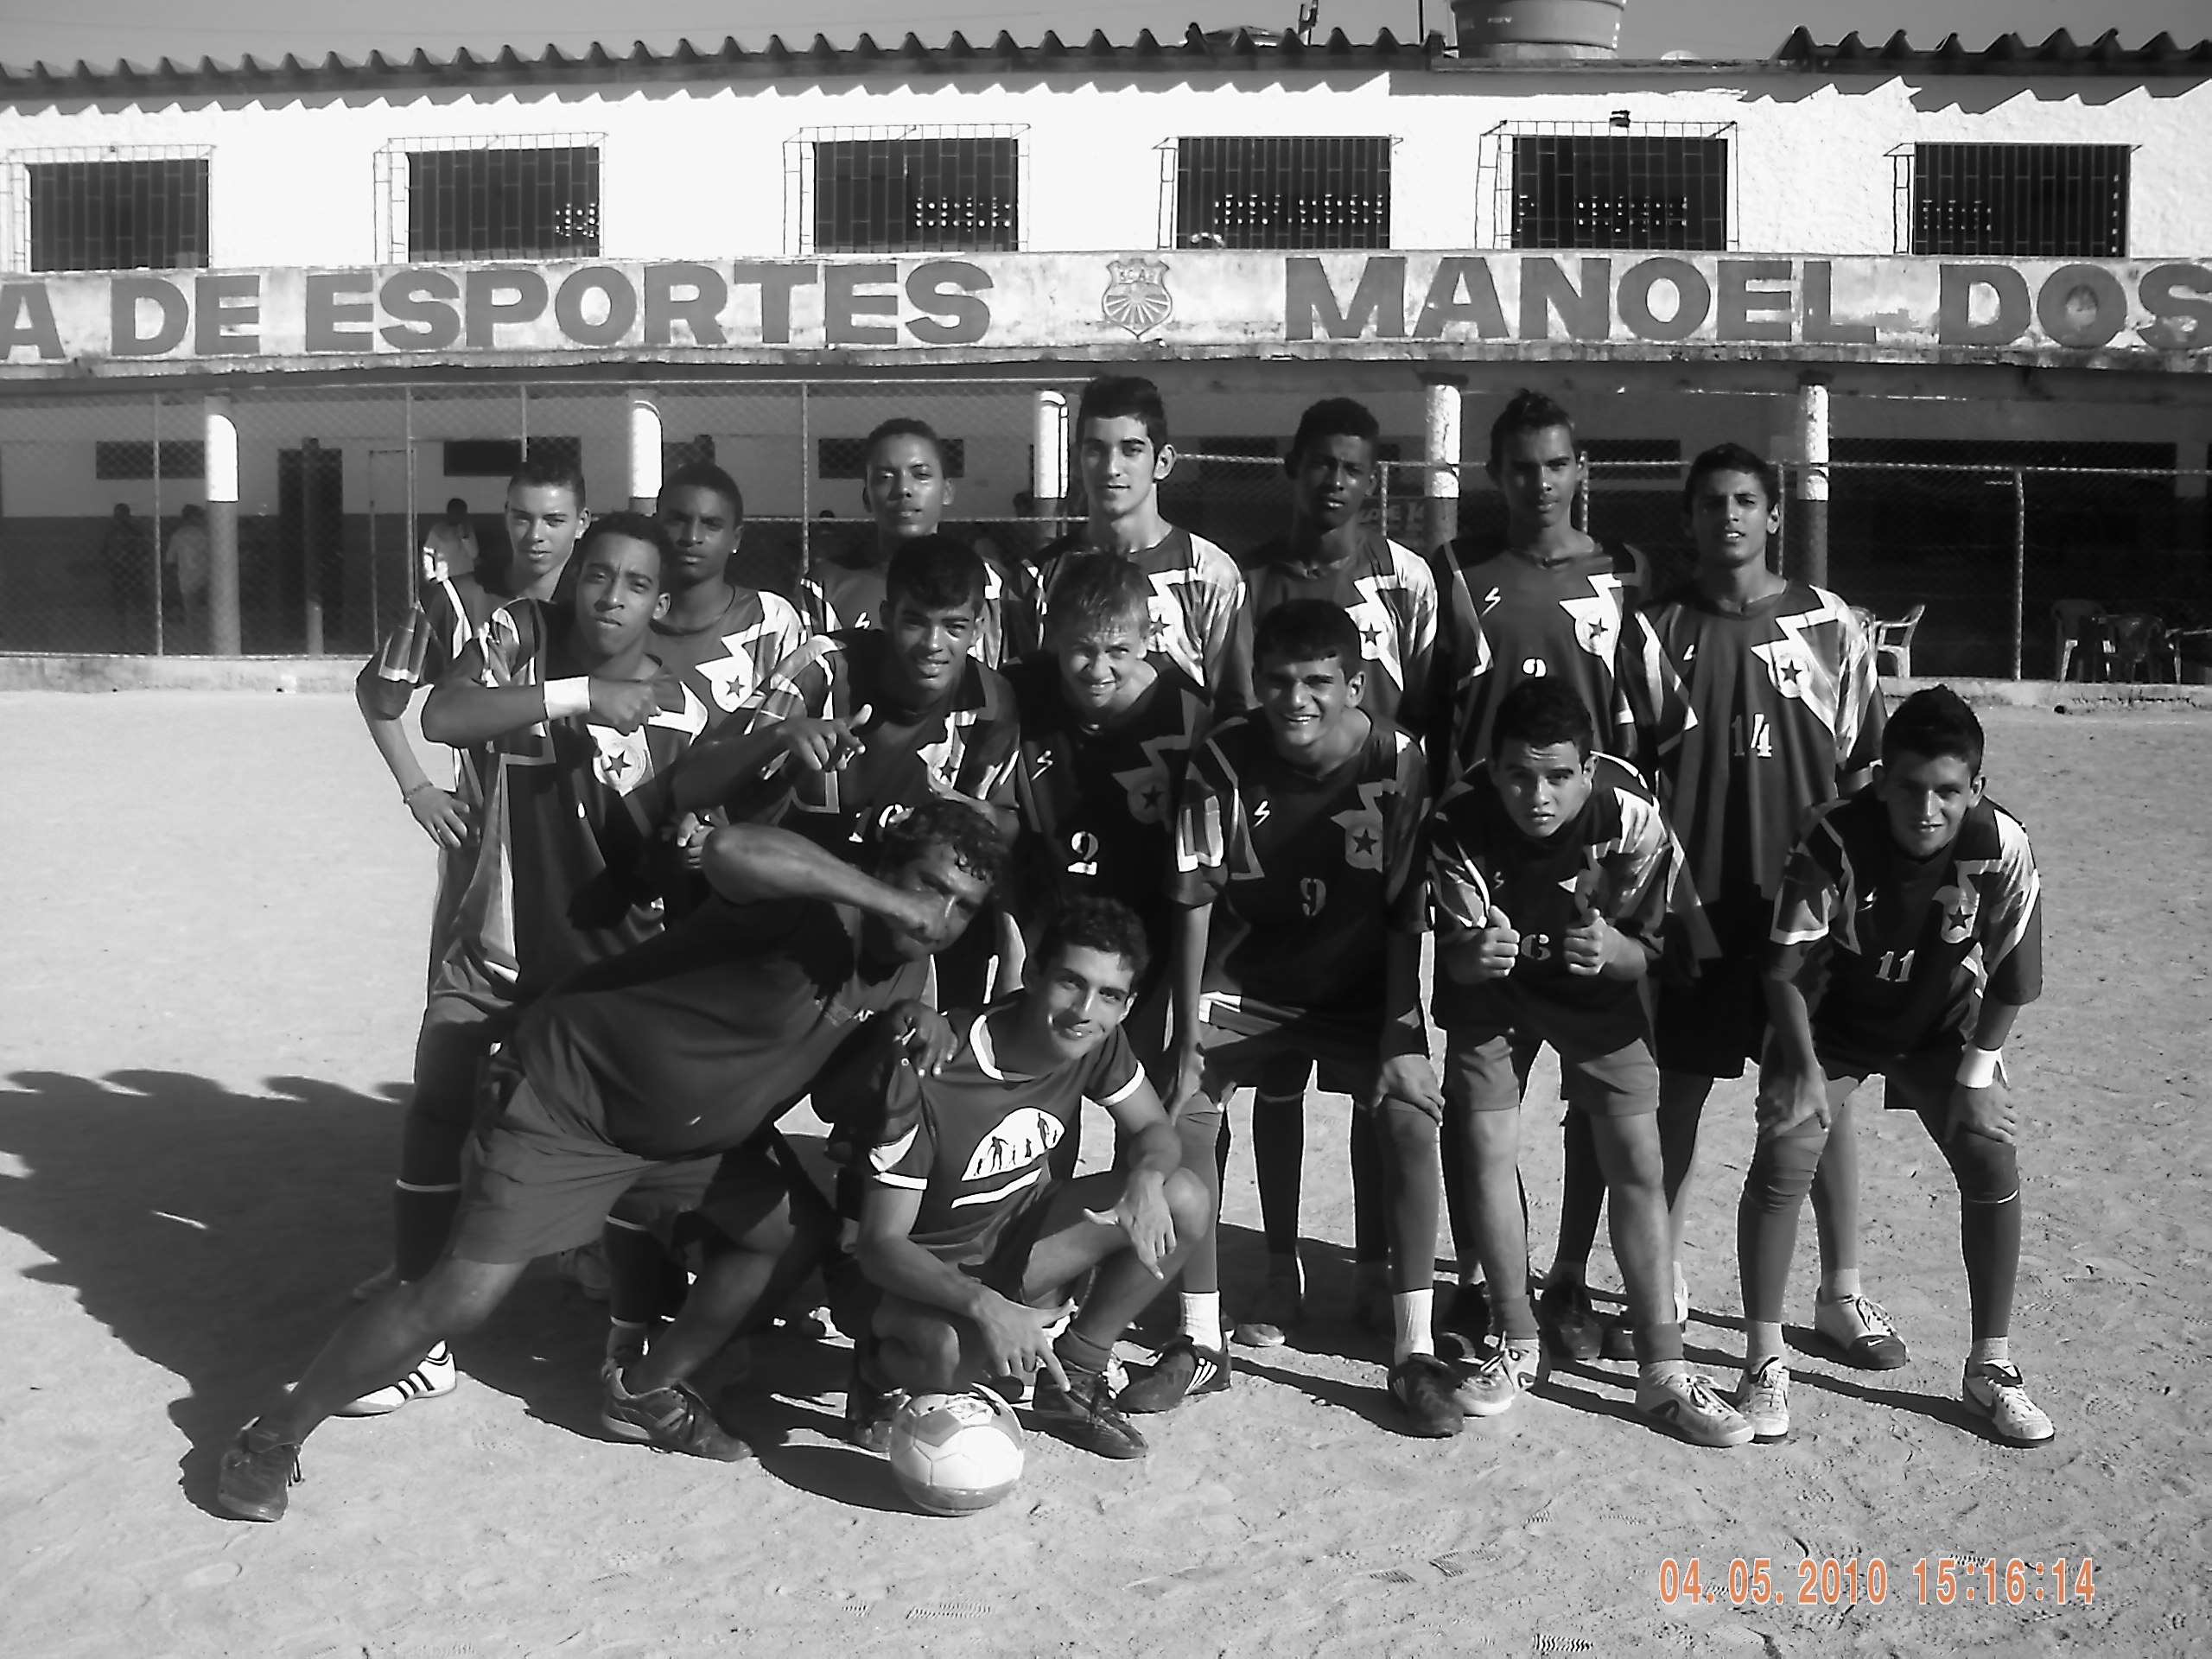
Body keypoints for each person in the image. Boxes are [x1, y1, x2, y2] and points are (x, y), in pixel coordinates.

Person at [216, 799, 1005, 1522]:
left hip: (684, 1144)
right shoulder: (813, 903)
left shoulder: (908, 973)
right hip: (569, 1103)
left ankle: (646, 1393)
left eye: (963, 906)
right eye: (928, 887)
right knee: (458, 1299)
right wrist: (885, 900)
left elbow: (833, 1098)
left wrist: (900, 1033)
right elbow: (731, 850)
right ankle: (273, 1434)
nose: (939, 916)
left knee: (786, 1233)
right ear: (884, 870)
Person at [347, 512, 703, 1409]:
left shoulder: (684, 711)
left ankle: (633, 1327)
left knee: (629, 1142)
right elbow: (443, 713)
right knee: (439, 1098)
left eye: (636, 585)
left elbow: (693, 850)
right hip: (498, 948)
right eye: (599, 575)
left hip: (611, 971)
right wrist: (577, 696)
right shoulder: (520, 635)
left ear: (661, 605)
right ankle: (418, 1333)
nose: (611, 597)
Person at [1570, 444, 1889, 1368]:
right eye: (1711, 502)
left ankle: (1841, 1292)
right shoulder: (1653, 633)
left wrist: (1861, 903)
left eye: (1746, 500)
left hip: (1802, 915)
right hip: (1691, 910)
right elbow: (1625, 782)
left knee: (1817, 1100)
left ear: (1775, 514)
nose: (1730, 516)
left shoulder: (1831, 627)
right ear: (1690, 518)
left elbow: (1863, 778)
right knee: (1675, 1095)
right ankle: (1661, 1283)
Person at [1136, 600, 1451, 1435]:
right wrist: (1186, 1035)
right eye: (1277, 681)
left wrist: (1404, 1035)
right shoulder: (1225, 755)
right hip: (1246, 982)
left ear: (1357, 684)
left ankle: (1415, 1351)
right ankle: (1200, 1338)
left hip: (1354, 988)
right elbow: (1195, 891)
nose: (1295, 699)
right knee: (1186, 1113)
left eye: (1317, 681)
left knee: (1411, 1116)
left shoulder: (1399, 759)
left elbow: (1405, 909)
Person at [1427, 681, 1747, 1445]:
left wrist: (1616, 951)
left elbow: (1657, 950)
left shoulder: (1631, 811)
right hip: (1497, 995)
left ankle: (1663, 1368)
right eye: (1517, 775)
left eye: (1557, 776)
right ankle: (1517, 1339)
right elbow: (1457, 956)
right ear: (1493, 768)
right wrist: (1474, 954)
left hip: (1596, 990)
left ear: (1589, 768)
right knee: (1484, 1147)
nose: (1537, 796)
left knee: (1638, 1158)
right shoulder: (1456, 820)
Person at [1737, 688, 2049, 1446]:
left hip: (1938, 1025)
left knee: (1990, 1151)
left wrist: (1976, 1079)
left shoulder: (2001, 843)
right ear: (1880, 781)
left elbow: (2014, 979)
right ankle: (1763, 1359)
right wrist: (1802, 1070)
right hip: (1833, 1022)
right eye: (1909, 788)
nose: (1927, 809)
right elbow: (1783, 971)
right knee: (1785, 1149)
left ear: (1975, 787)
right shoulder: (1833, 838)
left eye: (1948, 791)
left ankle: (1991, 1366)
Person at [1422, 389, 1649, 1358]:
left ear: (1579, 468)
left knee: (1591, 1094)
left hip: (1588, 867)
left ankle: (1569, 1276)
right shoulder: (1456, 574)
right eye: (1520, 466)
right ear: (1494, 474)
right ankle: (1483, 1278)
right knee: (1477, 1094)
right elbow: (1433, 722)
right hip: (1483, 864)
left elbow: (1642, 728)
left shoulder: (1624, 576)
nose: (1539, 482)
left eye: (1555, 464)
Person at [1219, 396, 1440, 1348]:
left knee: (1374, 1081)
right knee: (1276, 1082)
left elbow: (1425, 703)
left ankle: (1377, 1270)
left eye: (1354, 465)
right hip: (1277, 850)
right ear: (1294, 468)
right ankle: (1280, 1268)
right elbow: (1241, 709)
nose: (1336, 481)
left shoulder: (1408, 578)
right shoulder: (1251, 580)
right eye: (1321, 463)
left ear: (1373, 476)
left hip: (1369, 842)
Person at [848, 897, 1214, 1460]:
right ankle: (876, 1371)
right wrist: (986, 1307)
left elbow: (1154, 1130)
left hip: (1015, 1242)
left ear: (1125, 1005)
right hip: (920, 1271)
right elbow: (880, 1247)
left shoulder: (1097, 1040)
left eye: (1108, 995)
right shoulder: (933, 1068)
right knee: (954, 1357)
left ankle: (1078, 1374)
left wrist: (1145, 1179)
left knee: (1183, 1195)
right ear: (1032, 972)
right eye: (1071, 982)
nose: (1084, 1010)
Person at [676, 535, 1020, 858]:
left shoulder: (990, 699)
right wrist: (780, 734)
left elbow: (1009, 822)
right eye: (915, 623)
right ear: (886, 618)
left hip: (906, 883)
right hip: (790, 876)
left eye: (954, 627)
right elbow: (690, 786)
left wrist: (976, 815)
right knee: (727, 851)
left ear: (978, 629)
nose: (932, 645)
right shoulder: (827, 667)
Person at [1004, 552, 1211, 1077]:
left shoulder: (1187, 714)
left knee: (1148, 1079)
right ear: (1053, 635)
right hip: (1049, 921)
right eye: (1082, 649)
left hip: (1148, 929)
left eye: (1117, 650)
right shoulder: (1017, 691)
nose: (1098, 670)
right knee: (1038, 1075)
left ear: (1147, 639)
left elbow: (1200, 859)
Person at [1032, 376, 1244, 695]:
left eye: (1131, 450)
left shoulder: (1211, 575)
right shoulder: (1038, 578)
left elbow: (1235, 704)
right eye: (1096, 450)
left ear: (1163, 462)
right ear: (1076, 461)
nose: (1111, 468)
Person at [802, 418, 1030, 669]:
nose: (903, 489)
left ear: (947, 491)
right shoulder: (824, 585)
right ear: (867, 496)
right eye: (885, 477)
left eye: (921, 475)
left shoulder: (988, 582)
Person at [649, 460, 805, 729]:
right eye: (677, 520)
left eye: (711, 524)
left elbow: (789, 733)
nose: (692, 537)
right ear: (655, 526)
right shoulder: (621, 616)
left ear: (736, 538)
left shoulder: (770, 621)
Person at [101, 502, 152, 652]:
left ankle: (142, 642)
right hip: (121, 571)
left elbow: (145, 550)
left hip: (131, 571)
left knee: (137, 608)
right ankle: (123, 643)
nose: (119, 518)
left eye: (121, 515)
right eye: (118, 515)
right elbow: (105, 551)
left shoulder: (133, 531)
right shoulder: (113, 532)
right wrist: (117, 560)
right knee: (123, 610)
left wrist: (134, 561)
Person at [164, 504, 211, 647]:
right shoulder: (204, 534)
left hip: (186, 580)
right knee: (208, 612)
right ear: (194, 518)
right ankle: (207, 641)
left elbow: (170, 559)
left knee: (191, 614)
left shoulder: (178, 535)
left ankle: (193, 644)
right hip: (205, 578)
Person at [423, 497, 480, 580]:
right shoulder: (438, 530)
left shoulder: (467, 529)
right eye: (458, 512)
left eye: (464, 512)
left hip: (466, 576)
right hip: (445, 578)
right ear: (449, 512)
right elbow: (428, 554)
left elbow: (474, 554)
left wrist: (465, 538)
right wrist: (430, 576)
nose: (462, 516)